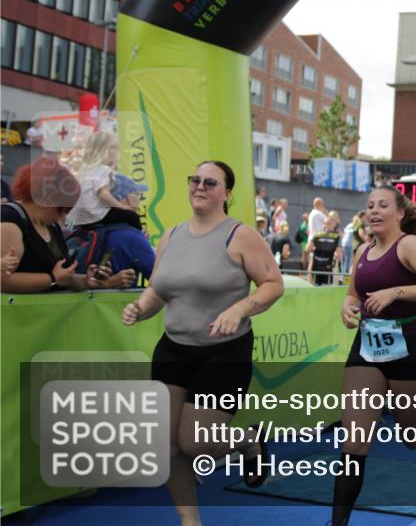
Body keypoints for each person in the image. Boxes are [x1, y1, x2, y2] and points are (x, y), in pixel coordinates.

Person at [121, 160, 284, 525]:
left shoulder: (240, 236)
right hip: (173, 349)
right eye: (194, 179)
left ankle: (247, 442)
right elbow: (156, 293)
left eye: (210, 182)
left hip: (223, 353)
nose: (199, 186)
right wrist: (139, 308)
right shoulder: (171, 235)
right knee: (166, 446)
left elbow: (273, 285)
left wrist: (239, 310)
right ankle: (190, 521)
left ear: (226, 193)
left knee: (195, 443)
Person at [331, 186, 416, 526]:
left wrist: (396, 292)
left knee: (410, 435)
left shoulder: (410, 245)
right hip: (367, 347)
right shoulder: (362, 251)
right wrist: (348, 307)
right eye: (369, 205)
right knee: (354, 442)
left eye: (382, 205)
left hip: (409, 346)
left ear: (399, 213)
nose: (374, 211)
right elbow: (354, 293)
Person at [1, 156, 134, 293]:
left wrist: (87, 280)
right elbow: (4, 281)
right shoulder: (9, 220)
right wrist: (52, 278)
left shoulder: (51, 226)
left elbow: (64, 278)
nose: (64, 216)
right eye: (64, 210)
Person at [67, 131, 143, 231]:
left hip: (80, 218)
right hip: (96, 214)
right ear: (104, 150)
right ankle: (141, 236)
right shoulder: (102, 169)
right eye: (113, 148)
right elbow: (103, 194)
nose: (116, 152)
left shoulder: (85, 170)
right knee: (131, 216)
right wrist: (122, 207)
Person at [306, 213, 342, 285]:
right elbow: (338, 255)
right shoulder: (337, 237)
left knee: (314, 287)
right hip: (328, 266)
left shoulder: (317, 234)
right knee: (326, 289)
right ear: (334, 225)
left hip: (316, 265)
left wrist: (316, 249)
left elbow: (308, 249)